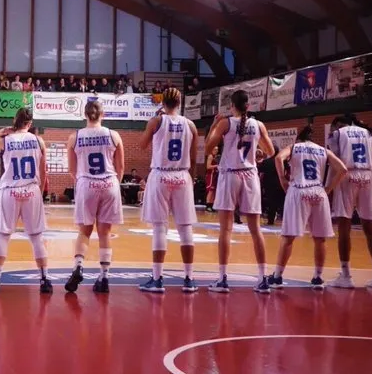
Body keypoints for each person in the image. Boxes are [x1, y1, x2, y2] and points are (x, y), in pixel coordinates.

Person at [206, 90, 276, 293]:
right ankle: (263, 279)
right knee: (256, 230)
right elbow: (271, 152)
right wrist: (258, 154)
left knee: (226, 230)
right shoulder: (258, 125)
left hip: (230, 176)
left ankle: (222, 279)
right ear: (248, 106)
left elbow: (210, 148)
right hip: (250, 176)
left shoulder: (225, 123)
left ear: (232, 105)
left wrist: (213, 126)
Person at [0, 108, 50, 293]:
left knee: (3, 235)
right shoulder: (38, 140)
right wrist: (39, 193)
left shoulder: (6, 140)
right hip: (32, 189)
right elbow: (43, 172)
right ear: (30, 123)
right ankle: (44, 280)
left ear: (14, 122)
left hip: (10, 190)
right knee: (36, 237)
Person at [268, 124, 347, 290]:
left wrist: (282, 179)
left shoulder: (295, 147)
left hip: (299, 191)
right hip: (318, 193)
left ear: (299, 138)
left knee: (288, 237)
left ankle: (277, 276)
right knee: (320, 239)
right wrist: (328, 189)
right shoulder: (323, 150)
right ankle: (318, 277)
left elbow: (278, 158)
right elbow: (343, 169)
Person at [136, 88, 198, 293]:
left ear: (163, 102)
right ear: (180, 102)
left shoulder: (157, 121)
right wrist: (192, 178)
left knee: (159, 228)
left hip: (161, 175)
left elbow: (142, 145)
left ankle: (157, 279)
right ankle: (189, 279)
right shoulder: (191, 125)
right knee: (185, 228)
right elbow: (194, 157)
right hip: (182, 175)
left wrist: (152, 126)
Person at [64, 99, 125, 293]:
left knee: (84, 231)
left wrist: (85, 182)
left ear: (85, 115)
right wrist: (113, 183)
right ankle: (104, 277)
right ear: (103, 115)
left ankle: (78, 267)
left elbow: (72, 169)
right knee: (105, 233)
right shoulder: (113, 135)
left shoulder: (75, 136)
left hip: (86, 183)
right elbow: (121, 167)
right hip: (109, 183)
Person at [326, 114, 372, 289]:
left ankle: (346, 275)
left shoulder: (338, 134)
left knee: (344, 227)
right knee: (370, 228)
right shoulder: (370, 134)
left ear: (340, 124)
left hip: (347, 176)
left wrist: (327, 188)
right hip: (368, 177)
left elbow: (334, 164)